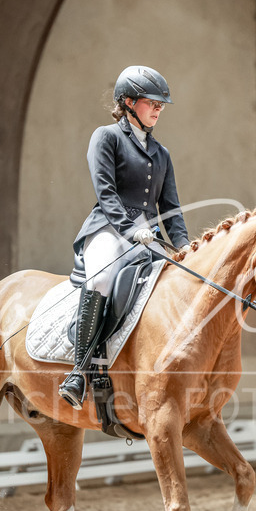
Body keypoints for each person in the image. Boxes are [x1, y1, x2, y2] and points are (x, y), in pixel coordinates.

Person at [58, 65, 190, 409]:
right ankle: (79, 370)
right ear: (128, 102)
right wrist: (131, 229)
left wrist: (186, 249)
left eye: (161, 105)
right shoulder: (106, 137)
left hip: (149, 238)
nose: (159, 109)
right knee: (101, 278)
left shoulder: (162, 154)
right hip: (109, 229)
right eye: (152, 102)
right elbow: (106, 192)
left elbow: (171, 208)